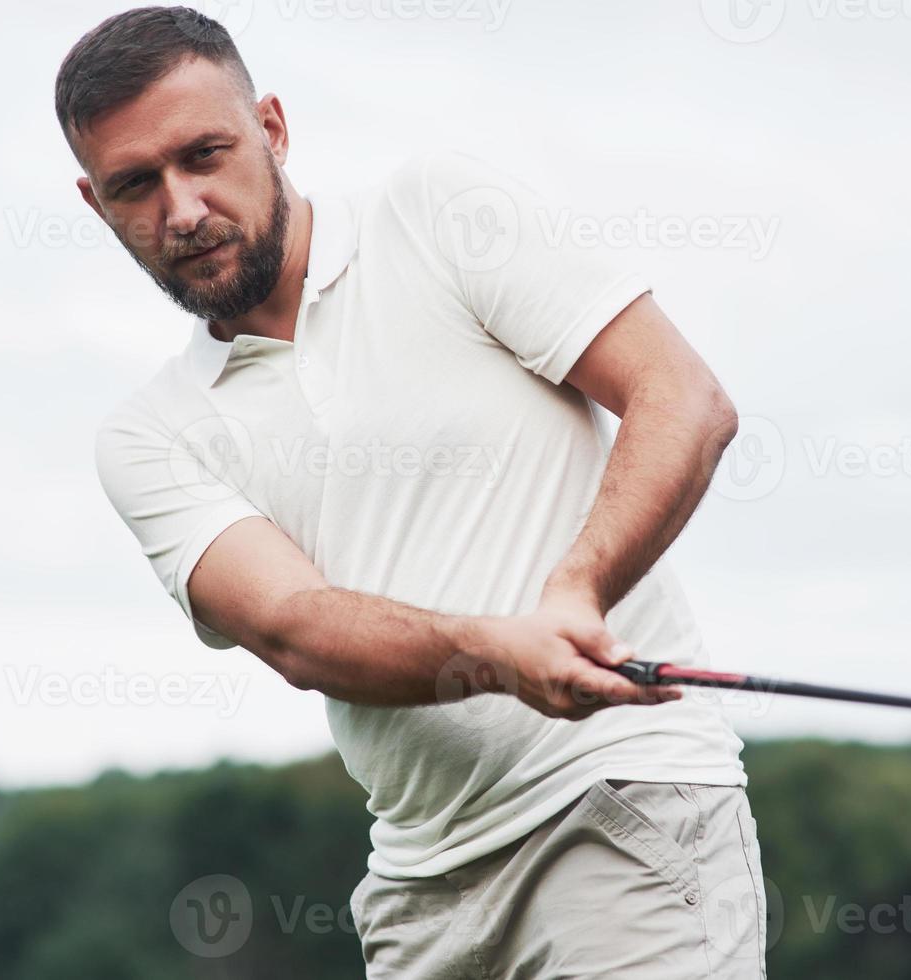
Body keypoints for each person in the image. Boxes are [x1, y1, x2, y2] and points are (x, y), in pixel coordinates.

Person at [56, 7, 767, 976]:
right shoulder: (147, 436)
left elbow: (681, 397)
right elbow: (294, 625)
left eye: (204, 155)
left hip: (621, 804)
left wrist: (573, 592)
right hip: (418, 894)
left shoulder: (438, 214)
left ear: (271, 128)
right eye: (137, 184)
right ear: (97, 205)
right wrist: (495, 649)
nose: (182, 208)